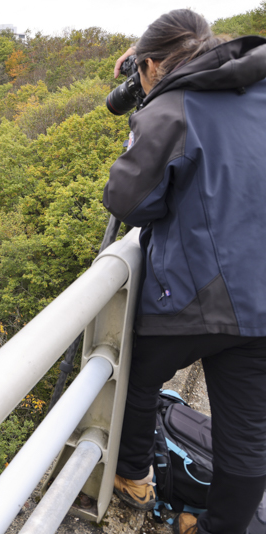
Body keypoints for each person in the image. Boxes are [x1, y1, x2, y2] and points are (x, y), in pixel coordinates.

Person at [102, 9, 266, 534]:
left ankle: (132, 477)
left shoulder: (171, 108)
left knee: (134, 374)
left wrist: (145, 112)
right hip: (262, 299)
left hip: (197, 296)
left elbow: (130, 202)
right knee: (247, 433)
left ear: (150, 67)